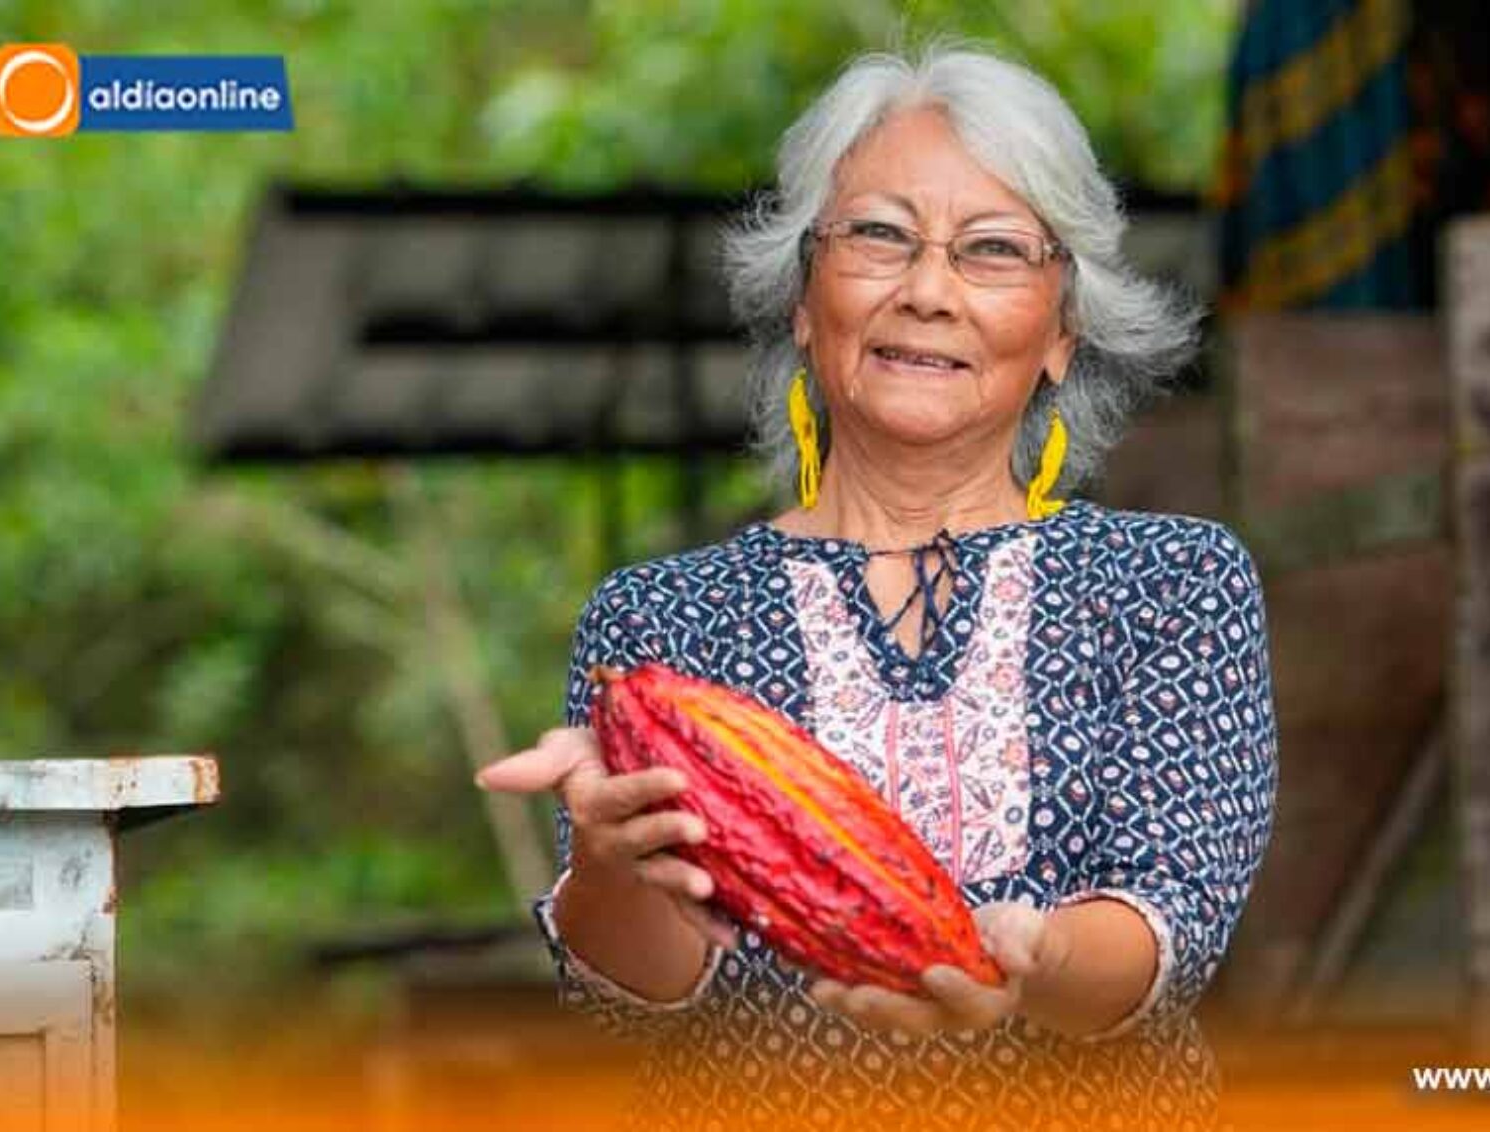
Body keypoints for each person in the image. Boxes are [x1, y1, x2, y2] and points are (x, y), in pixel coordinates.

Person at [476, 42, 1279, 1132]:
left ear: (1060, 330)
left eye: (992, 250)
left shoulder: (1172, 583)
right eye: (879, 235)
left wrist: (1030, 956)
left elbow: (1166, 935)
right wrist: (617, 871)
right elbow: (645, 998)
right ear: (805, 300)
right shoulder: (659, 621)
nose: (928, 291)